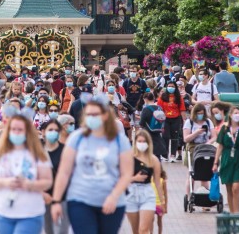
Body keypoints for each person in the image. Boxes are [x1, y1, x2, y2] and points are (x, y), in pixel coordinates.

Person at [49, 99, 133, 234]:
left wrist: (114, 196)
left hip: (112, 202)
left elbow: (127, 173)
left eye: (96, 114)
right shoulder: (77, 138)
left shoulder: (119, 140)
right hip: (81, 200)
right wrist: (56, 201)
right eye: (89, 115)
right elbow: (64, 172)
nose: (92, 118)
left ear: (105, 115)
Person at [0, 114, 53, 234]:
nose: (16, 132)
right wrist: (5, 182)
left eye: (20, 130)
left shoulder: (38, 153)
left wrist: (29, 184)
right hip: (3, 211)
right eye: (13, 129)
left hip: (30, 212)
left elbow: (47, 181)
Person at [124, 130, 163, 234]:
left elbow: (158, 182)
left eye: (144, 141)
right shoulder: (129, 157)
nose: (141, 144)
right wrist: (134, 178)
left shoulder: (153, 159)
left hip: (147, 193)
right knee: (135, 230)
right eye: (139, 141)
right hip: (131, 193)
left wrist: (162, 202)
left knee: (143, 229)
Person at [213, 107, 239, 214]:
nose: (238, 115)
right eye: (236, 113)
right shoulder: (224, 129)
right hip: (226, 159)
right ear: (230, 115)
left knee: (236, 188)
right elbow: (220, 146)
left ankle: (236, 213)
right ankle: (232, 213)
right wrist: (215, 162)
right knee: (229, 189)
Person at [40, 120, 68, 234]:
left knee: (63, 229)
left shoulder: (65, 150)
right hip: (44, 195)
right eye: (50, 130)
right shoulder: (38, 150)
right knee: (48, 228)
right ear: (43, 132)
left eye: (56, 130)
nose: (54, 132)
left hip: (63, 196)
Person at [182, 105, 212, 190]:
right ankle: (189, 196)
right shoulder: (189, 122)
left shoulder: (208, 122)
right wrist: (196, 132)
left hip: (205, 148)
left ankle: (206, 195)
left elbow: (214, 136)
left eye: (202, 113)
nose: (200, 115)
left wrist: (209, 142)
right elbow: (186, 138)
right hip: (193, 148)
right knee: (192, 175)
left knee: (204, 176)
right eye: (198, 113)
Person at [157, 83, 185, 163]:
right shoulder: (162, 97)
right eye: (169, 86)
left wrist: (185, 121)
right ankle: (165, 154)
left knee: (175, 137)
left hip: (176, 119)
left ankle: (173, 155)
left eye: (172, 86)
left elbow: (182, 110)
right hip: (165, 119)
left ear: (175, 87)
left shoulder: (179, 98)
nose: (170, 88)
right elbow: (159, 109)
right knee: (165, 136)